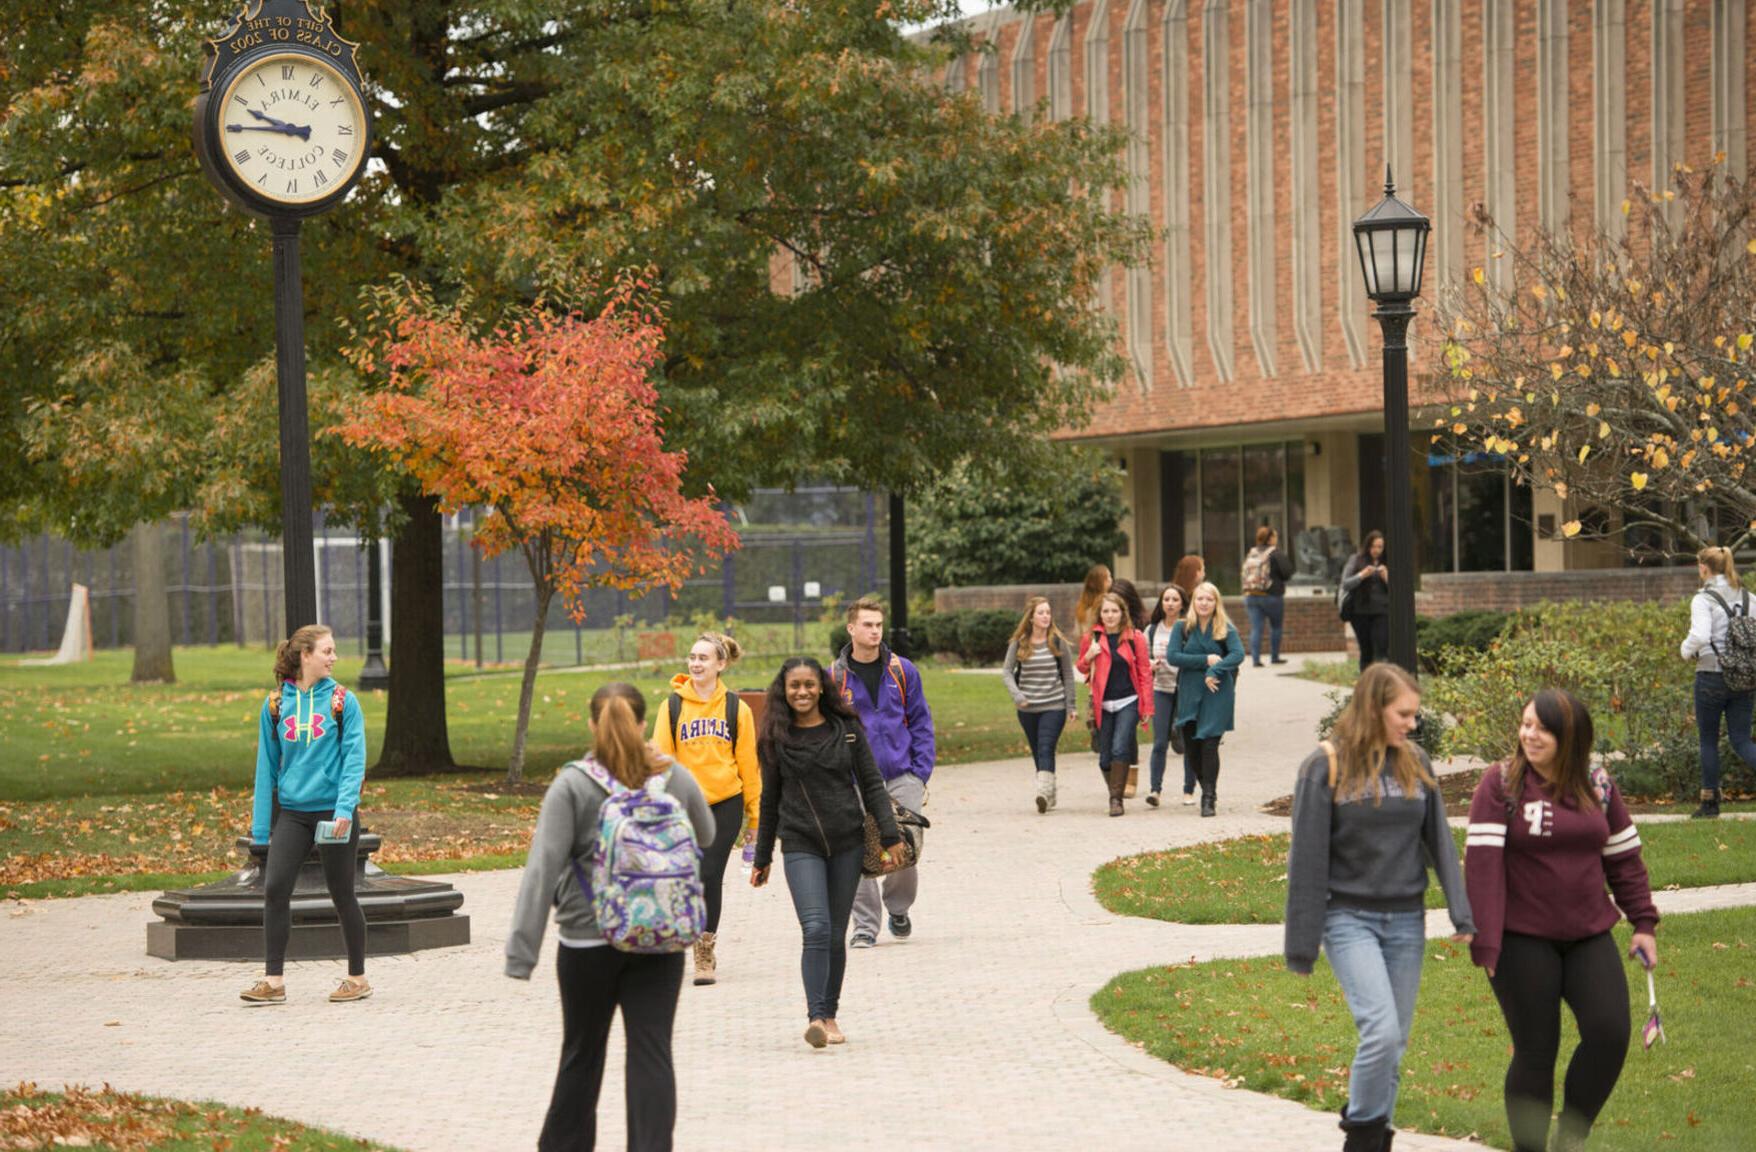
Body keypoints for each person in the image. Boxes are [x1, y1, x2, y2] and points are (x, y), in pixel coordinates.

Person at [506, 682, 714, 1152]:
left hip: (586, 942)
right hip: (660, 941)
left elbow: (543, 868)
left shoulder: (573, 784)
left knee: (582, 1054)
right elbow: (706, 833)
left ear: (591, 724)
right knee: (652, 1055)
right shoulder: (673, 777)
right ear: (642, 725)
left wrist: (522, 953)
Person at [1284, 664, 1474, 1152]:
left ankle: (1373, 1139)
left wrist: (1461, 911)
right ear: (1374, 709)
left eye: (1415, 714)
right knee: (1382, 1033)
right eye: (1403, 714)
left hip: (1407, 920)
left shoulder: (1416, 760)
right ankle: (1364, 1139)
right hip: (1348, 919)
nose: (1413, 723)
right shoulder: (1323, 766)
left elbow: (1439, 842)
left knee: (1395, 1046)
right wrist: (1301, 946)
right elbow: (1307, 860)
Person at [1464, 689, 1659, 1152]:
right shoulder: (1502, 783)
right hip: (1521, 939)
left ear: (1568, 737)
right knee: (1536, 1050)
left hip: (1589, 933)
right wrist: (1487, 943)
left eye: (1541, 728)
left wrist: (1644, 923)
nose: (1528, 735)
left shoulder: (1597, 783)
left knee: (1610, 1034)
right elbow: (1482, 867)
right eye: (1525, 724)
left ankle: (1570, 1137)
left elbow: (1624, 858)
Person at [751, 658, 907, 1048]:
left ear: (821, 687)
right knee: (816, 928)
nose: (801, 692)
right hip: (800, 843)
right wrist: (762, 857)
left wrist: (890, 836)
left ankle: (831, 1014)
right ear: (783, 691)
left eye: (808, 685)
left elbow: (872, 785)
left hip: (847, 843)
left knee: (836, 933)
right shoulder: (774, 737)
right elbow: (769, 800)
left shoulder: (847, 730)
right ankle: (816, 1016)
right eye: (793, 686)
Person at [240, 624, 370, 1007]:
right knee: (275, 888)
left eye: (333, 651)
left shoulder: (344, 702)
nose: (333, 657)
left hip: (334, 813)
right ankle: (273, 981)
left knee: (342, 893)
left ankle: (357, 978)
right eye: (327, 651)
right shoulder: (276, 704)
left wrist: (345, 809)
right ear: (305, 655)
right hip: (294, 815)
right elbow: (267, 766)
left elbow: (354, 761)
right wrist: (261, 827)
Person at [650, 631, 760, 985]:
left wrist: (755, 817)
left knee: (709, 873)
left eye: (704, 658)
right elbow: (660, 760)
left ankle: (704, 949)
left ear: (721, 664)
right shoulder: (672, 706)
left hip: (725, 802)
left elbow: (748, 765)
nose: (696, 663)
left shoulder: (736, 709)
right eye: (692, 657)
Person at [834, 596, 936, 948]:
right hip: (855, 781)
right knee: (858, 851)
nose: (875, 631)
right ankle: (864, 926)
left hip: (901, 775)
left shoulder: (902, 670)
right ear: (851, 628)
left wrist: (919, 771)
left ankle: (899, 907)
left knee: (904, 848)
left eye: (879, 625)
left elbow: (921, 720)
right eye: (867, 625)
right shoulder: (835, 678)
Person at [1679, 545, 1756, 819]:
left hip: (1711, 676)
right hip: (1744, 679)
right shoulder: (1750, 598)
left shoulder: (1703, 600)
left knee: (1708, 741)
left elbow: (1700, 636)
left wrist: (1684, 650)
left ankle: (1710, 803)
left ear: (1703, 568)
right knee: (1741, 740)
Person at [1167, 582, 1245, 816]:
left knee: (1210, 745)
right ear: (1193, 602)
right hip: (1190, 692)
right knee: (1192, 749)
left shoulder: (1224, 628)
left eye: (1209, 599)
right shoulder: (1182, 627)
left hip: (1216, 692)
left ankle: (1209, 797)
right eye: (1200, 598)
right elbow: (1173, 657)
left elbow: (1238, 654)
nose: (1204, 603)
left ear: (1216, 603)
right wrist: (1205, 660)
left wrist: (1214, 670)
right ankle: (1206, 786)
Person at [1075, 591, 1153, 816]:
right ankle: (1115, 791)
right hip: (1103, 704)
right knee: (1104, 757)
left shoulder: (1134, 637)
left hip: (1128, 700)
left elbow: (1145, 672)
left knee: (1121, 747)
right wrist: (1089, 656)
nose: (1110, 616)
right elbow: (1081, 668)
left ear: (1122, 613)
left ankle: (1115, 800)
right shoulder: (1091, 638)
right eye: (1105, 611)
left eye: (1114, 611)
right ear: (1100, 614)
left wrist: (1147, 706)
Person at [1002, 596, 1077, 814]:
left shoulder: (1057, 642)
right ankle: (1049, 793)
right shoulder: (1019, 643)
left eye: (1048, 612)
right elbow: (1006, 672)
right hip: (1027, 708)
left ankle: (1043, 793)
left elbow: (1068, 676)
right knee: (1038, 751)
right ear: (1031, 617)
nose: (1046, 616)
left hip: (1054, 705)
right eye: (1041, 613)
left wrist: (1071, 706)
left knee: (1046, 746)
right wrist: (1017, 696)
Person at [1144, 584, 1187, 807]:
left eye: (1175, 599)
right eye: (1166, 599)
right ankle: (1155, 790)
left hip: (1184, 690)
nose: (1170, 603)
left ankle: (1189, 790)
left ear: (1182, 604)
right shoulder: (1151, 630)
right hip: (1161, 689)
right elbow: (1140, 660)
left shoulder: (1188, 628)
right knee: (1159, 742)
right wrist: (1149, 664)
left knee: (1188, 740)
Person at [1242, 525, 1296, 667]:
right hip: (1272, 596)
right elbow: (1288, 572)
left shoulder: (1252, 552)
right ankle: (1274, 657)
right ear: (1271, 538)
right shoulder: (1276, 553)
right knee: (1276, 627)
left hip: (1251, 595)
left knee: (1256, 628)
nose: (1276, 539)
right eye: (1275, 536)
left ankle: (1255, 660)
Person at [1341, 531, 1391, 671]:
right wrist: (1362, 575)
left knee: (1381, 650)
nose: (1376, 550)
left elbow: (1399, 591)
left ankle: (1381, 683)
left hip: (1381, 612)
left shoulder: (1387, 562)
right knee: (1366, 651)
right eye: (1373, 546)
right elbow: (1345, 584)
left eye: (1380, 547)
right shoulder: (1356, 559)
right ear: (1367, 546)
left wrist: (1386, 576)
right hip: (1360, 613)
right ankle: (1366, 684)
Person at [1073, 563, 1113, 637]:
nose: (1110, 580)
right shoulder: (1106, 602)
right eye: (1108, 577)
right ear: (1100, 582)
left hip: (1086, 645)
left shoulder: (1081, 605)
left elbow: (1077, 633)